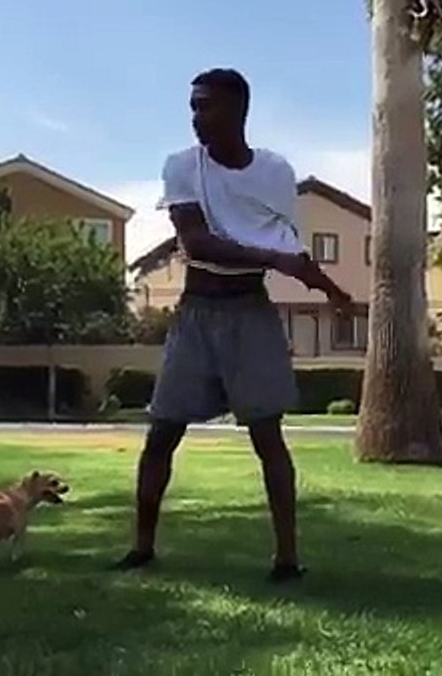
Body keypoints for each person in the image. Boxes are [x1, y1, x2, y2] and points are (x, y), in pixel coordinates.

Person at [112, 68, 351, 582]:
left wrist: (332, 292)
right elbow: (197, 244)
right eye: (193, 107)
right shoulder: (181, 167)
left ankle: (287, 559)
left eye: (208, 106)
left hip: (251, 314)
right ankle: (142, 547)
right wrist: (274, 260)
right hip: (196, 314)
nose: (197, 117)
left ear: (239, 111)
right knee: (161, 434)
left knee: (268, 436)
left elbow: (288, 247)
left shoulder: (274, 172)